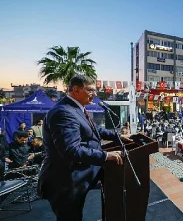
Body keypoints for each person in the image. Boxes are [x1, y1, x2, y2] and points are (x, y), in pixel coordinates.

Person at [37, 75, 127, 221]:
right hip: (65, 181)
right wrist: (105, 156)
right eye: (91, 90)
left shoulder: (77, 108)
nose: (95, 94)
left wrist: (118, 136)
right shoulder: (64, 112)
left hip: (75, 178)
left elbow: (95, 129)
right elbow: (70, 150)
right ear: (76, 90)